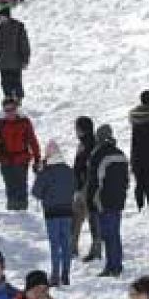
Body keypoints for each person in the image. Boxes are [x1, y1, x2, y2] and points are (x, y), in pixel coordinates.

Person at [85, 124, 130, 277]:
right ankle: (115, 264)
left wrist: (92, 200)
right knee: (115, 233)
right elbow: (126, 179)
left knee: (108, 233)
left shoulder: (99, 154)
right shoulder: (121, 154)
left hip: (103, 199)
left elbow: (94, 180)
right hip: (119, 199)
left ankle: (113, 266)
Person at [32, 141, 77, 286]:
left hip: (52, 212)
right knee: (66, 243)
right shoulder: (69, 170)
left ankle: (55, 275)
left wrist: (39, 174)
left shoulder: (46, 172)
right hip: (67, 211)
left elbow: (36, 192)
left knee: (55, 244)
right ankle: (66, 274)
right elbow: (75, 187)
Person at [0, 96, 41, 212]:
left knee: (21, 185)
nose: (9, 113)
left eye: (12, 109)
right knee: (10, 186)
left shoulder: (24, 122)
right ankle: (12, 210)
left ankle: (22, 210)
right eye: (7, 110)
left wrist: (37, 158)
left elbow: (32, 141)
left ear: (16, 109)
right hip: (5, 160)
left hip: (21, 159)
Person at [72, 116, 104, 261]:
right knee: (79, 217)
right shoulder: (85, 143)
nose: (76, 131)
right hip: (83, 186)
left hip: (87, 186)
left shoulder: (89, 144)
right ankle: (73, 248)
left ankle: (93, 249)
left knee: (90, 217)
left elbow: (84, 166)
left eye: (77, 128)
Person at [0, 7, 30, 105]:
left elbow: (24, 44)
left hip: (15, 60)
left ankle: (18, 99)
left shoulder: (18, 27)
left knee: (16, 81)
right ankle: (8, 99)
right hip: (3, 61)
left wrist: (25, 59)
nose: (0, 19)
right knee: (5, 82)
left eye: (2, 17)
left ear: (7, 16)